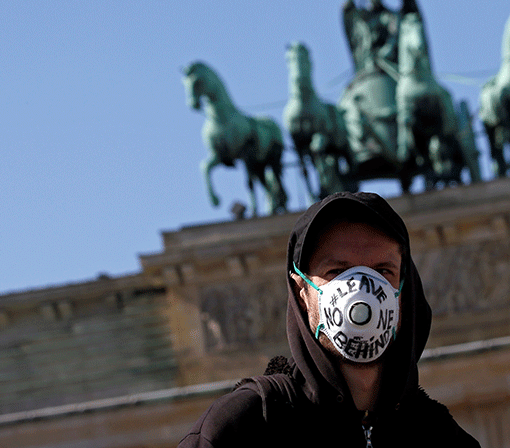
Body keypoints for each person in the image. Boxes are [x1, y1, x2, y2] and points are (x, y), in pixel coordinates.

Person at [177, 191, 480, 447]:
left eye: (383, 271)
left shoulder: (443, 440)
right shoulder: (248, 425)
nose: (362, 290)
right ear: (302, 295)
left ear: (404, 293)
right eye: (336, 271)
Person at [342, 0, 399, 77]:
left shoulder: (390, 16)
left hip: (387, 60)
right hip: (367, 60)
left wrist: (387, 49)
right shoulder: (363, 16)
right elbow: (347, 11)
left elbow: (394, 34)